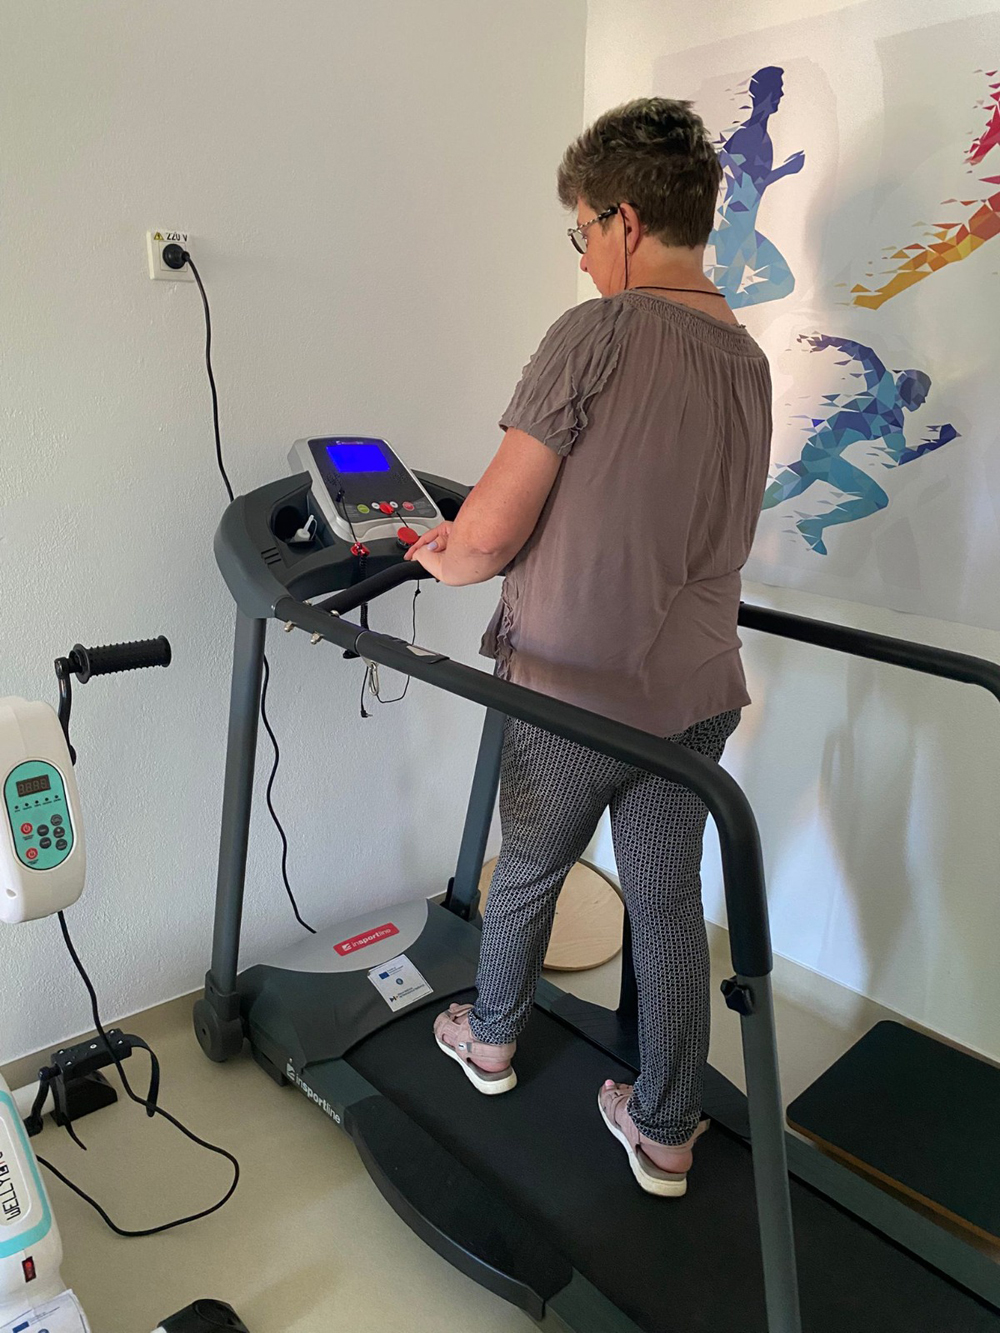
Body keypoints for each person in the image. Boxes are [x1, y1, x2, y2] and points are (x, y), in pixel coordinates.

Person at [405, 98, 772, 1197]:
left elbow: (487, 537)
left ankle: (489, 1041)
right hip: (696, 690)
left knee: (526, 868)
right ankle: (664, 1128)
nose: (581, 257)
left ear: (623, 221)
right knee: (666, 903)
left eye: (580, 231)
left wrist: (443, 556)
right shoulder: (747, 360)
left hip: (575, 688)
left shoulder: (597, 333)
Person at [763, 334, 959, 554]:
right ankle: (813, 525)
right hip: (822, 457)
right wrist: (827, 341)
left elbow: (897, 457)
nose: (922, 401)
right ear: (908, 384)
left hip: (819, 455)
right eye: (921, 394)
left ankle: (810, 525)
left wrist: (937, 443)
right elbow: (865, 353)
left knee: (766, 499)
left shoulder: (895, 422)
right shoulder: (882, 387)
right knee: (876, 498)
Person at [707, 66, 804, 308]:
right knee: (727, 294)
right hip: (734, 228)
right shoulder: (748, 135)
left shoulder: (756, 135)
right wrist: (785, 170)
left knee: (781, 280)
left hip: (742, 226)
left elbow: (735, 173)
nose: (781, 95)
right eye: (777, 90)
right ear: (766, 95)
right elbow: (746, 184)